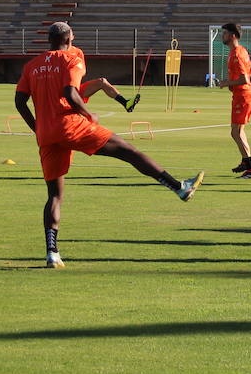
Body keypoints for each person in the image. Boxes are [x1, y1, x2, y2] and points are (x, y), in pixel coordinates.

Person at [14, 22, 203, 268]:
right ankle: (179, 187)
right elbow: (70, 92)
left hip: (46, 135)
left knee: (55, 195)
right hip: (70, 125)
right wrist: (88, 114)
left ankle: (52, 253)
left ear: (49, 40)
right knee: (129, 152)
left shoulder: (32, 65)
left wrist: (37, 127)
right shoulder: (72, 57)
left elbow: (20, 102)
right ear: (69, 37)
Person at [217, 22, 251, 178]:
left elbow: (245, 79)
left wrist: (228, 83)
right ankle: (245, 161)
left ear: (233, 35)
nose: (223, 35)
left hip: (243, 96)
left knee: (235, 132)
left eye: (225, 33)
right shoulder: (240, 50)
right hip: (242, 95)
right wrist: (232, 83)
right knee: (238, 131)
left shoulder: (236, 54)